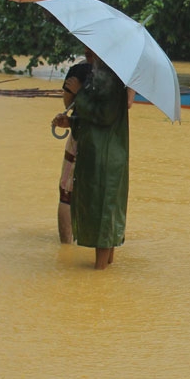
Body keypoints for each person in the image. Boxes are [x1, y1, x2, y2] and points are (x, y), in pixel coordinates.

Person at [51, 48, 133, 269]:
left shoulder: (110, 81)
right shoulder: (106, 79)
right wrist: (70, 122)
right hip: (103, 153)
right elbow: (95, 119)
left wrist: (79, 94)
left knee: (103, 211)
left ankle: (100, 270)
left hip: (104, 158)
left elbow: (103, 115)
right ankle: (105, 266)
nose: (87, 56)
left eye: (91, 54)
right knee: (106, 209)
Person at [55, 54, 93, 244]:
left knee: (67, 191)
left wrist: (78, 94)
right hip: (108, 143)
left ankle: (67, 244)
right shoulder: (118, 75)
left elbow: (68, 101)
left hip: (80, 135)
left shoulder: (78, 71)